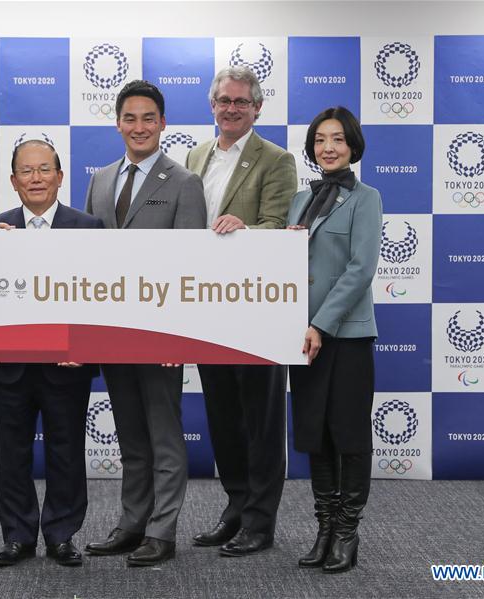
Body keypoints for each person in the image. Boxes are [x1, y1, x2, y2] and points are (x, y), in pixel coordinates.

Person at [83, 80, 207, 566]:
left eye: (148, 118)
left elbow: (191, 265)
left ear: (162, 124)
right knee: (131, 435)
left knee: (163, 433)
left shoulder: (183, 182)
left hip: (159, 335)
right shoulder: (100, 179)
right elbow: (85, 256)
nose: (139, 127)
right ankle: (132, 523)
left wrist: (180, 330)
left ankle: (163, 530)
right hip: (113, 331)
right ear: (118, 123)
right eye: (130, 118)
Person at [0, 140, 103, 568]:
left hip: (68, 364)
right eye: (26, 171)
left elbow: (102, 297)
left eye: (44, 169)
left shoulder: (88, 226)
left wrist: (84, 347)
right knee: (12, 451)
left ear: (60, 177)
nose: (36, 178)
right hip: (11, 364)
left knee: (67, 450)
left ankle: (62, 535)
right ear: (13, 181)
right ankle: (17, 536)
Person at [185, 66, 297, 556]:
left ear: (257, 108)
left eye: (241, 102)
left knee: (262, 418)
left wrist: (245, 229)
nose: (231, 109)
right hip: (207, 308)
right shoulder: (195, 155)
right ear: (212, 106)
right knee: (223, 417)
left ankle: (260, 520)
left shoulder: (277, 159)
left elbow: (281, 224)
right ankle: (235, 509)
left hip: (257, 308)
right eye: (223, 101)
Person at [285, 106, 381, 573]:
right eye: (321, 139)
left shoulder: (367, 198)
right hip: (300, 337)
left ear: (353, 146)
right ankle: (323, 529)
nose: (329, 147)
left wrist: (320, 324)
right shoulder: (300, 199)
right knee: (315, 435)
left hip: (343, 335)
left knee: (349, 435)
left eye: (338, 139)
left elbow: (359, 271)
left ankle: (347, 533)